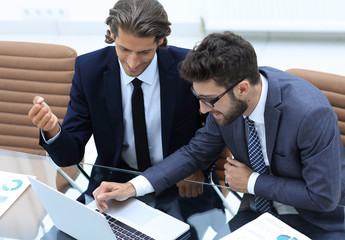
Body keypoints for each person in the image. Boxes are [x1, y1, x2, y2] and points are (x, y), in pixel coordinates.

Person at [92, 31, 345, 239]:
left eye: (209, 100)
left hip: (316, 222)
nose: (202, 109)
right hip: (257, 213)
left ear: (243, 89)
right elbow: (194, 153)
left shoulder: (309, 114)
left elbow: (322, 197)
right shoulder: (226, 106)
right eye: (198, 98)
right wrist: (132, 187)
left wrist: (252, 182)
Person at [28, 0, 222, 222]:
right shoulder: (89, 70)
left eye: (144, 52)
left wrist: (198, 167)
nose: (132, 63)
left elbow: (217, 126)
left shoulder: (187, 67)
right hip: (115, 182)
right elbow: (69, 156)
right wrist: (53, 130)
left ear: (160, 40)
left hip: (181, 181)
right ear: (111, 34)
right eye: (124, 49)